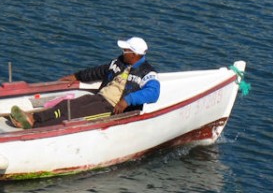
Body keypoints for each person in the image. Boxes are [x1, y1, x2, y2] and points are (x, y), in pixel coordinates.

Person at [10, 37, 160, 129]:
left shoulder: (147, 72)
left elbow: (153, 93)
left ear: (134, 54)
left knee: (73, 115)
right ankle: (34, 118)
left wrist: (127, 100)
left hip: (111, 108)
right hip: (99, 98)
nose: (122, 52)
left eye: (125, 50)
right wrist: (77, 76)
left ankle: (35, 128)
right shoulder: (119, 62)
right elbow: (98, 71)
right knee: (66, 105)